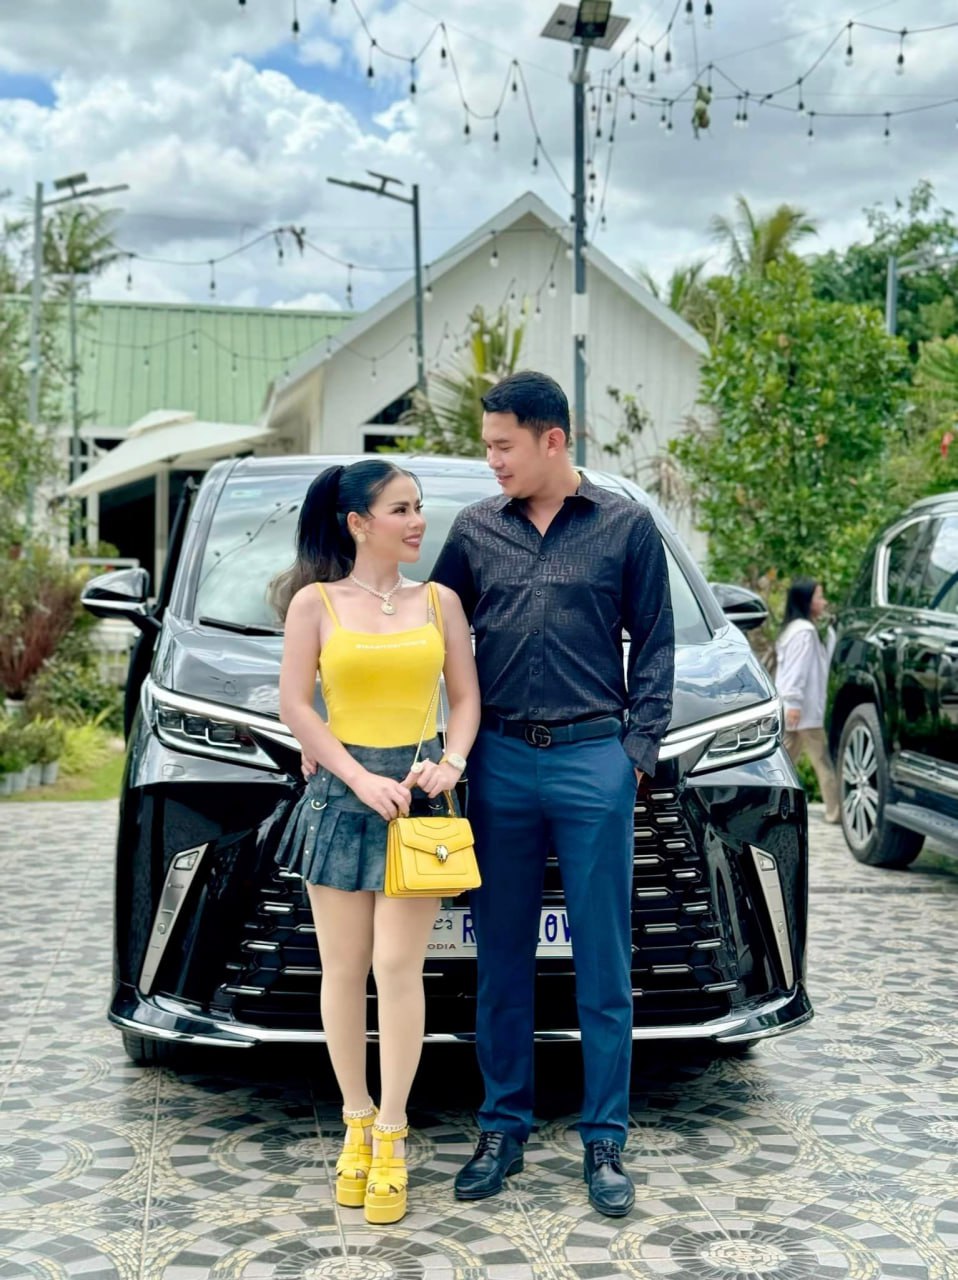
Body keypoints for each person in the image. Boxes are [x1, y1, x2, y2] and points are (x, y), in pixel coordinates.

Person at [431, 370, 675, 1218]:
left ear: (553, 440)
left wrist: (634, 753)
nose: (491, 460)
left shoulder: (625, 527)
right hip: (498, 760)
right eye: (487, 445)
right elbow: (429, 634)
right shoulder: (473, 531)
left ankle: (605, 1140)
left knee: (604, 961)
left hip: (591, 759)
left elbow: (655, 644)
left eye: (503, 445)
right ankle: (503, 1128)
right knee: (500, 957)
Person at [273, 459, 480, 1225]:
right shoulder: (316, 603)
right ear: (359, 523)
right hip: (342, 795)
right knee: (343, 968)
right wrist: (358, 777)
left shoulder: (440, 602)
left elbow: (466, 699)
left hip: (419, 802)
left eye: (418, 506)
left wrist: (451, 761)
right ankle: (355, 1123)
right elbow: (296, 706)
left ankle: (393, 1133)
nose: (418, 521)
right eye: (401, 509)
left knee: (398, 967)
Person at [774, 577, 840, 823]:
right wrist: (794, 703)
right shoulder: (804, 632)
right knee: (822, 762)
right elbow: (797, 670)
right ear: (806, 601)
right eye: (819, 597)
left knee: (783, 762)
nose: (823, 602)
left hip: (796, 709)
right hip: (803, 711)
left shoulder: (796, 629)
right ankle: (835, 812)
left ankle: (774, 808)